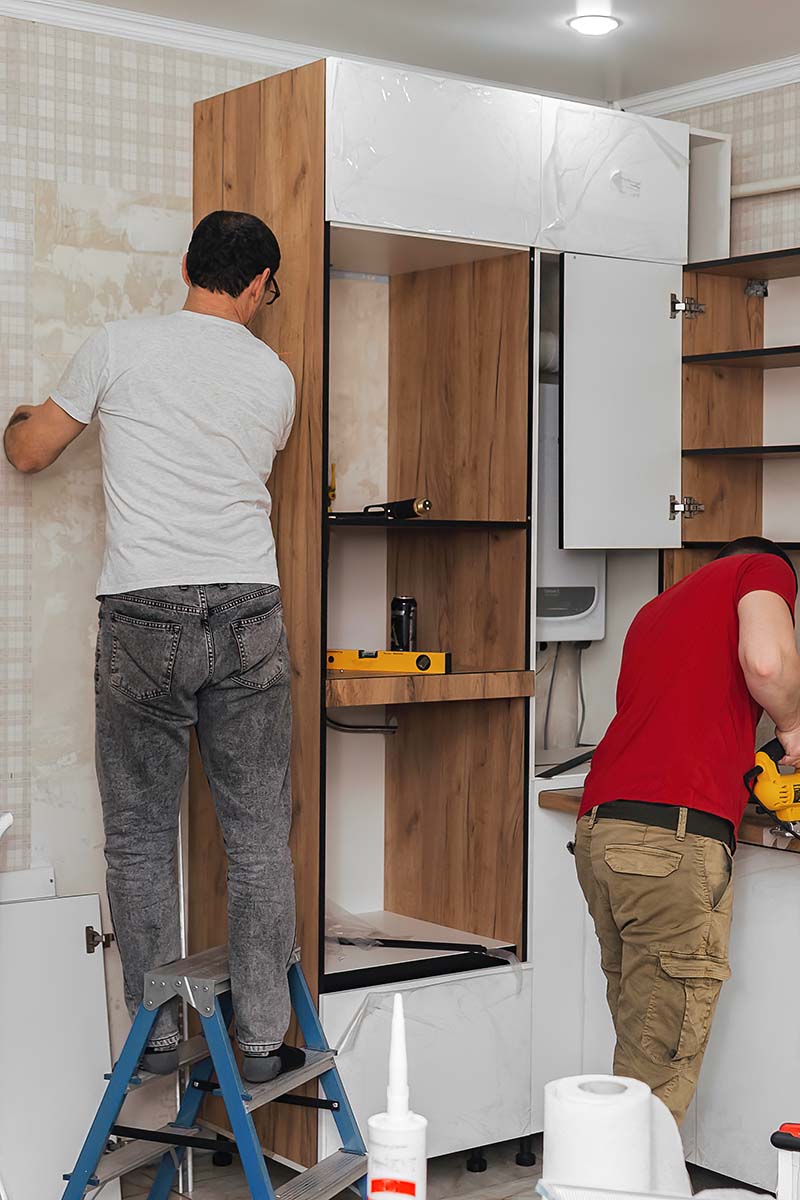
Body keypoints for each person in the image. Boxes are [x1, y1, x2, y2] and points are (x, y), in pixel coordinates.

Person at [4, 210, 301, 1085]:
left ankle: (159, 1039)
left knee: (138, 837)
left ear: (186, 266)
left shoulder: (118, 345)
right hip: (249, 606)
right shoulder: (274, 375)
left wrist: (21, 417)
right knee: (255, 839)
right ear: (256, 287)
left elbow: (30, 452)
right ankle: (258, 1044)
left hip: (144, 613)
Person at [574, 536, 800, 1122]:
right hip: (668, 844)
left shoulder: (656, 609)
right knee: (655, 1075)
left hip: (602, 833)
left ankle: (614, 1178)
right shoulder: (764, 567)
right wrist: (794, 723)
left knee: (640, 1047)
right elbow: (768, 663)